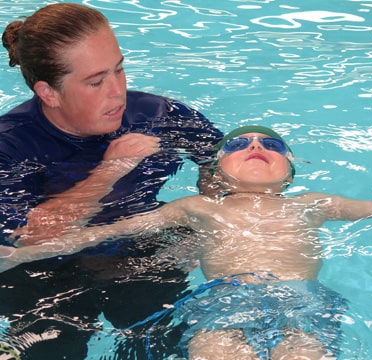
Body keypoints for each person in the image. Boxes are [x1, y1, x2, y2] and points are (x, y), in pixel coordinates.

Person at [3, 125, 372, 359]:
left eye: (271, 144)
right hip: (223, 298)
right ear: (216, 170)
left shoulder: (314, 203)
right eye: (238, 144)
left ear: (291, 169)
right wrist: (19, 256)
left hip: (302, 300)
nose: (256, 146)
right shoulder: (199, 208)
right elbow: (108, 232)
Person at [0, 3, 222, 359]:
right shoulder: (9, 146)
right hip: (45, 275)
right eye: (95, 81)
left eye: (119, 70)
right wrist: (110, 171)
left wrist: (210, 208)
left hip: (137, 254)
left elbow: (228, 164)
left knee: (161, 348)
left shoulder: (157, 115)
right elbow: (27, 239)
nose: (117, 91)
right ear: (48, 93)